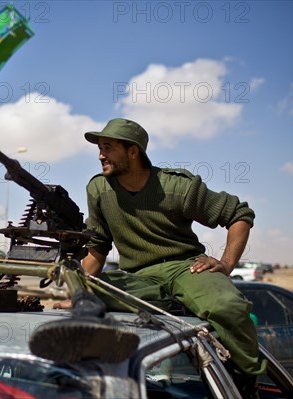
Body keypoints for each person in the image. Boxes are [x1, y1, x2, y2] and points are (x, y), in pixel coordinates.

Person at [80, 118, 263, 398]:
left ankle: (246, 383)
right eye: (99, 148)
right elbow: (97, 249)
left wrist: (226, 264)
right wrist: (78, 287)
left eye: (108, 147)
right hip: (139, 277)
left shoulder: (176, 187)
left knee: (227, 307)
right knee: (91, 293)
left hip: (185, 268)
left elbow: (239, 215)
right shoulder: (99, 190)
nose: (100, 155)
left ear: (133, 152)